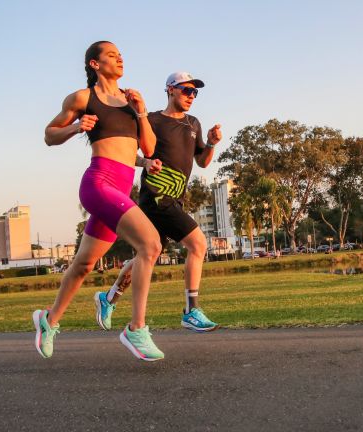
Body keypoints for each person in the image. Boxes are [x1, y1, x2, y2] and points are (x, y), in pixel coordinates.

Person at [33, 41, 165, 361]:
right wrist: (77, 127)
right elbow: (50, 135)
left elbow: (147, 148)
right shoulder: (83, 98)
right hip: (98, 183)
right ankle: (136, 328)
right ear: (95, 64)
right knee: (151, 245)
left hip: (121, 189)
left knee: (83, 265)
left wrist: (142, 113)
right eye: (111, 55)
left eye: (121, 54)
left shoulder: (130, 101)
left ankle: (48, 322)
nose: (119, 58)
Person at [95, 71, 222, 333]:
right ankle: (191, 310)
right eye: (187, 91)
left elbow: (202, 161)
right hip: (157, 197)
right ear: (170, 90)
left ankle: (108, 298)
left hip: (176, 197)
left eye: (195, 92)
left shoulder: (193, 123)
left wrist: (210, 142)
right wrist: (145, 161)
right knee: (198, 243)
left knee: (147, 256)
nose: (191, 96)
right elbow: (126, 152)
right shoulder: (151, 119)